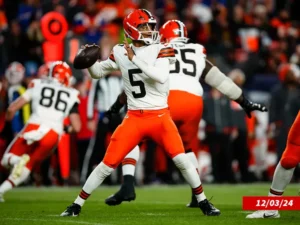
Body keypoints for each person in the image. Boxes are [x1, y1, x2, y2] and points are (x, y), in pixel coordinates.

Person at [61, 9, 221, 217]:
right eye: (143, 26)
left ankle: (202, 201)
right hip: (134, 117)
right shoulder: (120, 51)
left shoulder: (162, 48)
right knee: (106, 165)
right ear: (131, 29)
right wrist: (89, 63)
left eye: (150, 26)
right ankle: (76, 204)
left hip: (160, 116)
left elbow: (161, 76)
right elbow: (98, 72)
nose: (149, 30)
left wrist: (134, 59)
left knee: (181, 160)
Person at [103, 20, 268, 207]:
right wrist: (243, 101)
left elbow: (136, 82)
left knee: (132, 135)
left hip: (167, 98)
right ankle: (196, 197)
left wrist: (117, 105)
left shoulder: (156, 49)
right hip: (194, 102)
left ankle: (128, 184)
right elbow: (220, 80)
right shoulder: (196, 51)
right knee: (188, 148)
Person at [0, 61, 81, 202]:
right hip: (53, 135)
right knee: (29, 165)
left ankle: (18, 160)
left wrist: (7, 120)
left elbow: (12, 108)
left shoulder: (37, 84)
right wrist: (64, 128)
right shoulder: (72, 93)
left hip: (34, 126)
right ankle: (1, 190)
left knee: (6, 160)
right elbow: (77, 126)